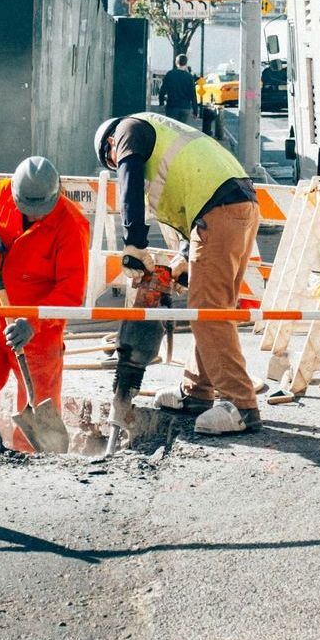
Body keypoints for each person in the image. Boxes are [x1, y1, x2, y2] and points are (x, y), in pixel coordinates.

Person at [94, 112, 261, 435]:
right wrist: (185, 256)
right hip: (236, 205)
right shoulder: (165, 134)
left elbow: (128, 180)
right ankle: (197, 391)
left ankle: (241, 404)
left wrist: (135, 244)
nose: (118, 165)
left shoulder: (128, 129)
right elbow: (193, 189)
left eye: (113, 161)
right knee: (209, 305)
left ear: (111, 144)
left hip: (220, 209)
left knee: (208, 311)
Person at [0, 156, 90, 450]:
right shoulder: (1, 192)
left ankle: (31, 466)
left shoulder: (71, 225)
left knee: (37, 404)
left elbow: (71, 291)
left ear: (54, 195)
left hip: (39, 332)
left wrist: (33, 322)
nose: (34, 215)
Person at [161, 55, 198, 125]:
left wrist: (161, 102)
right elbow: (193, 95)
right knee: (182, 130)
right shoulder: (189, 77)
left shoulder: (170, 74)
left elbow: (163, 90)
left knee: (171, 129)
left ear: (176, 62)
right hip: (185, 107)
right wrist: (195, 111)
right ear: (186, 64)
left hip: (172, 106)